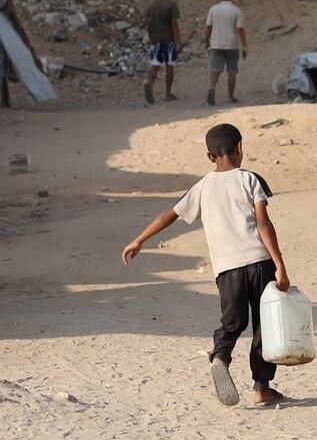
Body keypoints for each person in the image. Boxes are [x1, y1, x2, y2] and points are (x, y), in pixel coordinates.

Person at [121, 122, 292, 408]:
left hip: (226, 268)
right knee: (265, 325)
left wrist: (139, 240)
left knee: (232, 322)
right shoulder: (250, 180)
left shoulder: (202, 186)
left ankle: (221, 356)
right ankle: (262, 388)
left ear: (209, 156)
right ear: (239, 148)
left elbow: (170, 214)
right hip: (259, 262)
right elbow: (263, 223)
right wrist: (280, 266)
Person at [204, 0, 246, 106]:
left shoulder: (213, 9)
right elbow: (240, 29)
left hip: (216, 43)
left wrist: (206, 40)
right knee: (232, 70)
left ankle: (212, 88)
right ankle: (230, 96)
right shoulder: (236, 10)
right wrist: (244, 45)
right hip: (231, 44)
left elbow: (208, 27)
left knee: (215, 69)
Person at [143, 0, 181, 105]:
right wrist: (178, 40)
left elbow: (148, 22)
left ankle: (149, 83)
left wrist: (150, 36)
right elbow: (174, 23)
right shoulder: (171, 4)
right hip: (168, 40)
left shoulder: (151, 4)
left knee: (155, 65)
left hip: (156, 40)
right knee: (169, 66)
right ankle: (167, 93)